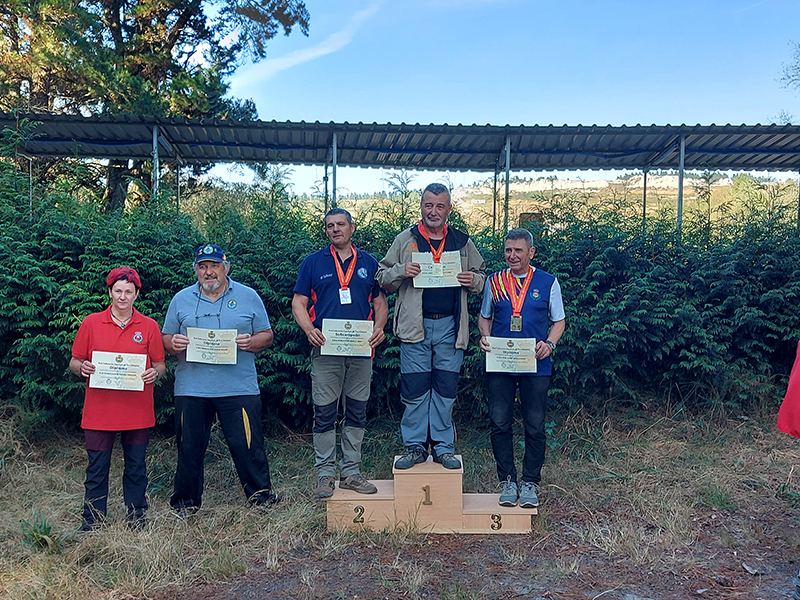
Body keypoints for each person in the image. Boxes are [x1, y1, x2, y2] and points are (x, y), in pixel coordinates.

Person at [376, 183, 486, 470]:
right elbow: (382, 278)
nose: (433, 211)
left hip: (451, 327)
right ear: (421, 207)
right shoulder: (405, 240)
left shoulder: (462, 241)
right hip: (415, 327)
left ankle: (443, 446)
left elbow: (482, 279)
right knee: (414, 389)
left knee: (446, 388)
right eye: (428, 205)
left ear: (449, 209)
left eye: (440, 206)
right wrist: (402, 270)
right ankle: (414, 446)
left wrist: (471, 280)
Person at [162, 244, 278, 513]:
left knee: (248, 445)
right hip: (192, 388)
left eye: (214, 265)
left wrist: (251, 342)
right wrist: (173, 343)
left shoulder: (248, 296)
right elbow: (165, 338)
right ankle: (185, 504)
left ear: (226, 267)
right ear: (196, 270)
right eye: (203, 266)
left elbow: (267, 335)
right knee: (188, 449)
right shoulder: (181, 299)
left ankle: (261, 498)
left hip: (238, 386)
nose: (209, 271)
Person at [292, 208, 389, 498]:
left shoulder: (370, 263)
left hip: (361, 350)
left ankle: (351, 472)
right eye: (330, 226)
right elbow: (299, 302)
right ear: (326, 231)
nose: (336, 229)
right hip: (326, 349)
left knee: (357, 410)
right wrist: (309, 329)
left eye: (341, 224)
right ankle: (325, 474)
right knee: (324, 412)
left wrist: (380, 328)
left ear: (352, 228)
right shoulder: (313, 263)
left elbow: (380, 303)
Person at [69, 267, 166, 530]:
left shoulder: (149, 326)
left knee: (136, 467)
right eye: (118, 291)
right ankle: (92, 522)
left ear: (137, 294)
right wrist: (82, 368)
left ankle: (136, 517)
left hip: (137, 411)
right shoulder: (91, 322)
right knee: (97, 468)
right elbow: (74, 361)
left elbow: (160, 364)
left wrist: (153, 373)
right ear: (109, 292)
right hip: (99, 411)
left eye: (129, 291)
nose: (123, 296)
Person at [478, 228, 565, 508]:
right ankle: (507, 480)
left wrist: (549, 345)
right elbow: (484, 318)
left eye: (518, 250)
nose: (512, 256)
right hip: (501, 364)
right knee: (499, 422)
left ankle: (529, 482)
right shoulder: (495, 281)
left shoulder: (548, 282)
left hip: (536, 365)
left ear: (531, 252)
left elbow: (559, 322)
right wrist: (484, 337)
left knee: (535, 425)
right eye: (508, 250)